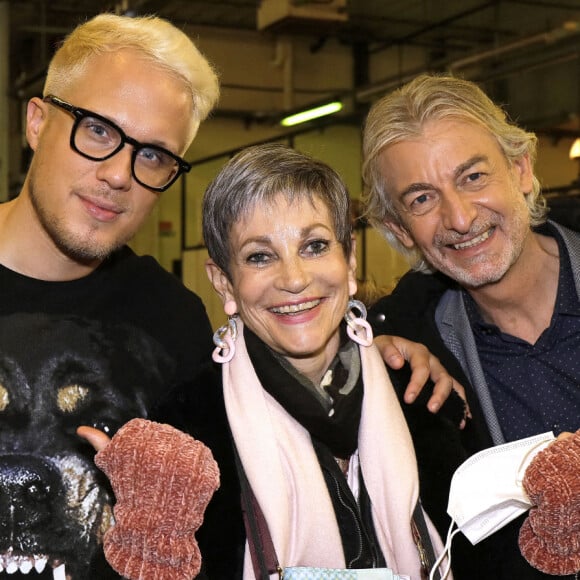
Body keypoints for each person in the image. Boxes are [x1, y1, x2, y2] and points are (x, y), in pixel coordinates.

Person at [0, 12, 234, 579]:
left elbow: (208, 537)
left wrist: (377, 346)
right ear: (37, 122)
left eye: (153, 154)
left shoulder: (171, 321)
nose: (120, 175)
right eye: (99, 130)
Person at [202, 143, 467, 579]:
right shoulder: (191, 431)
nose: (294, 279)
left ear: (349, 259)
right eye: (260, 256)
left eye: (315, 246)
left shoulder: (422, 398)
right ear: (224, 283)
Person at [362, 73, 580, 579]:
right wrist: (358, 362)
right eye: (421, 199)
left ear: (522, 170)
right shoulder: (408, 354)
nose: (459, 218)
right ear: (399, 230)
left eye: (473, 177)